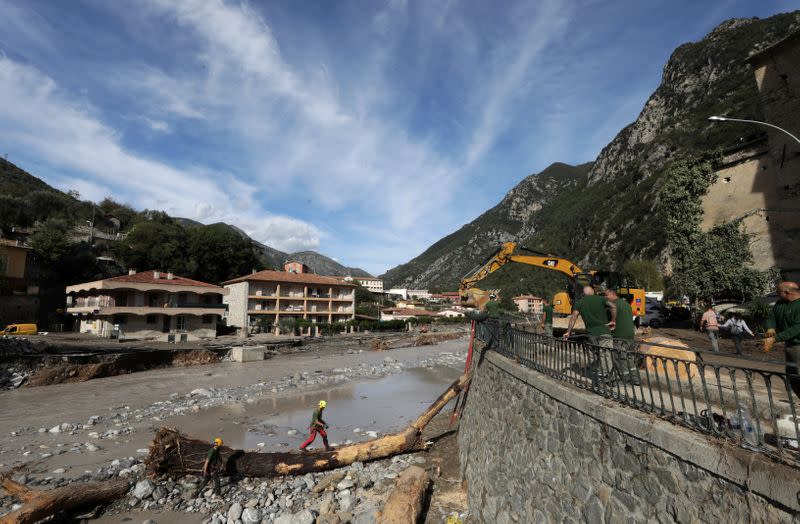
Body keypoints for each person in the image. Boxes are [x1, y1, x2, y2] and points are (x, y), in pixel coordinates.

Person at [564, 286, 613, 383]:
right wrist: (613, 320)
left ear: (584, 293)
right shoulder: (601, 299)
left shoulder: (579, 303)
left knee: (599, 354)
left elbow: (573, 317)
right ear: (593, 292)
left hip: (591, 334)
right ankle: (603, 376)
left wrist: (568, 331)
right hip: (604, 331)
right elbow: (613, 306)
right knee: (606, 354)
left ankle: (600, 373)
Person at [765, 282, 800, 398]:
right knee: (792, 375)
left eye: (778, 292)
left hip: (798, 346)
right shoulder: (780, 304)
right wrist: (770, 327)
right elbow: (771, 317)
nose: (777, 294)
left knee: (798, 374)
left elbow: (797, 328)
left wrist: (775, 339)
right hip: (789, 346)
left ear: (787, 292)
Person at [605, 289, 640, 385]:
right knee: (629, 358)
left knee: (619, 358)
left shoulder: (613, 305)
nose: (605, 297)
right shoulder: (626, 304)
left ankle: (625, 380)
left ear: (612, 294)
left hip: (620, 336)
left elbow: (610, 321)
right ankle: (636, 379)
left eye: (606, 295)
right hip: (630, 335)